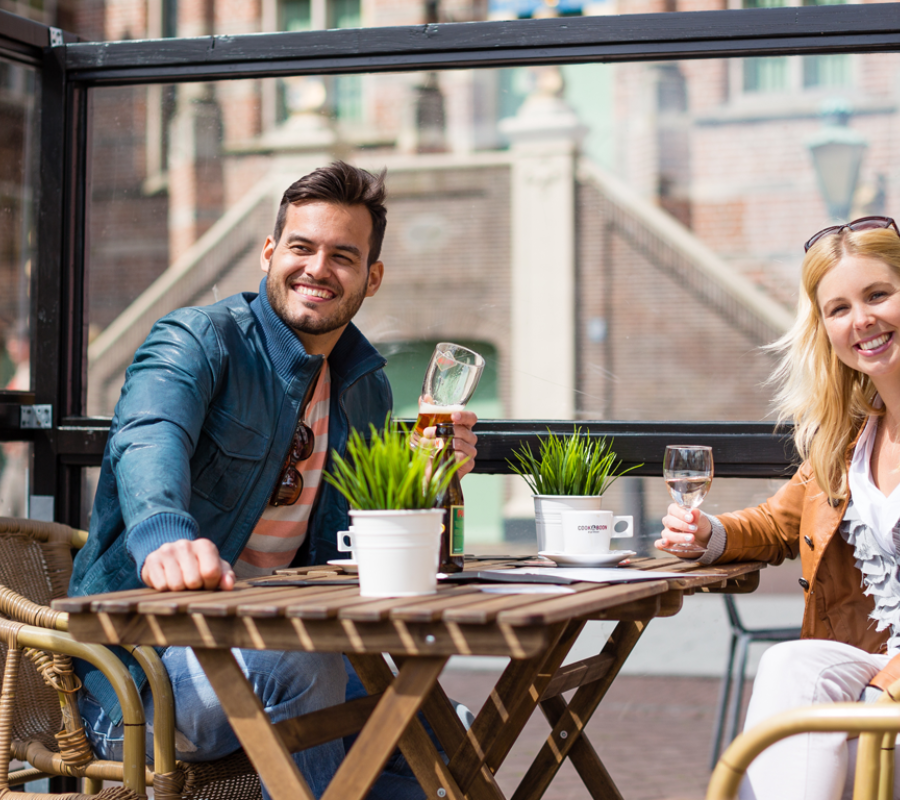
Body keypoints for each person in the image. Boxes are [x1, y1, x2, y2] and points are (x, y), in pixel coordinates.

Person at [69, 161, 478, 799]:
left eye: (343, 255)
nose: (317, 268)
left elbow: (356, 544)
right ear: (269, 252)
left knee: (440, 732)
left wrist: (421, 487)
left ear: (371, 277)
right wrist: (165, 535)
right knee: (306, 664)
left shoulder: (362, 385)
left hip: (286, 645)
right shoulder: (197, 340)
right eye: (301, 247)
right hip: (143, 683)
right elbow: (149, 436)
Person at [659, 216, 900, 800]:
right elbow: (777, 523)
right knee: (790, 666)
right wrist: (707, 532)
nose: (861, 320)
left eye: (878, 295)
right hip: (875, 662)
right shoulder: (848, 442)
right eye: (838, 308)